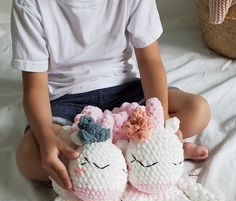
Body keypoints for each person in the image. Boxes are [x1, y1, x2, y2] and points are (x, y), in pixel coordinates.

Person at [11, 0, 210, 190]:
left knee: (197, 110)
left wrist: (161, 123)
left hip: (124, 90)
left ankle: (116, 159)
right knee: (28, 157)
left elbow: (150, 60)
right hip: (68, 100)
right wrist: (45, 136)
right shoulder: (29, 4)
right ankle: (142, 156)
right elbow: (34, 88)